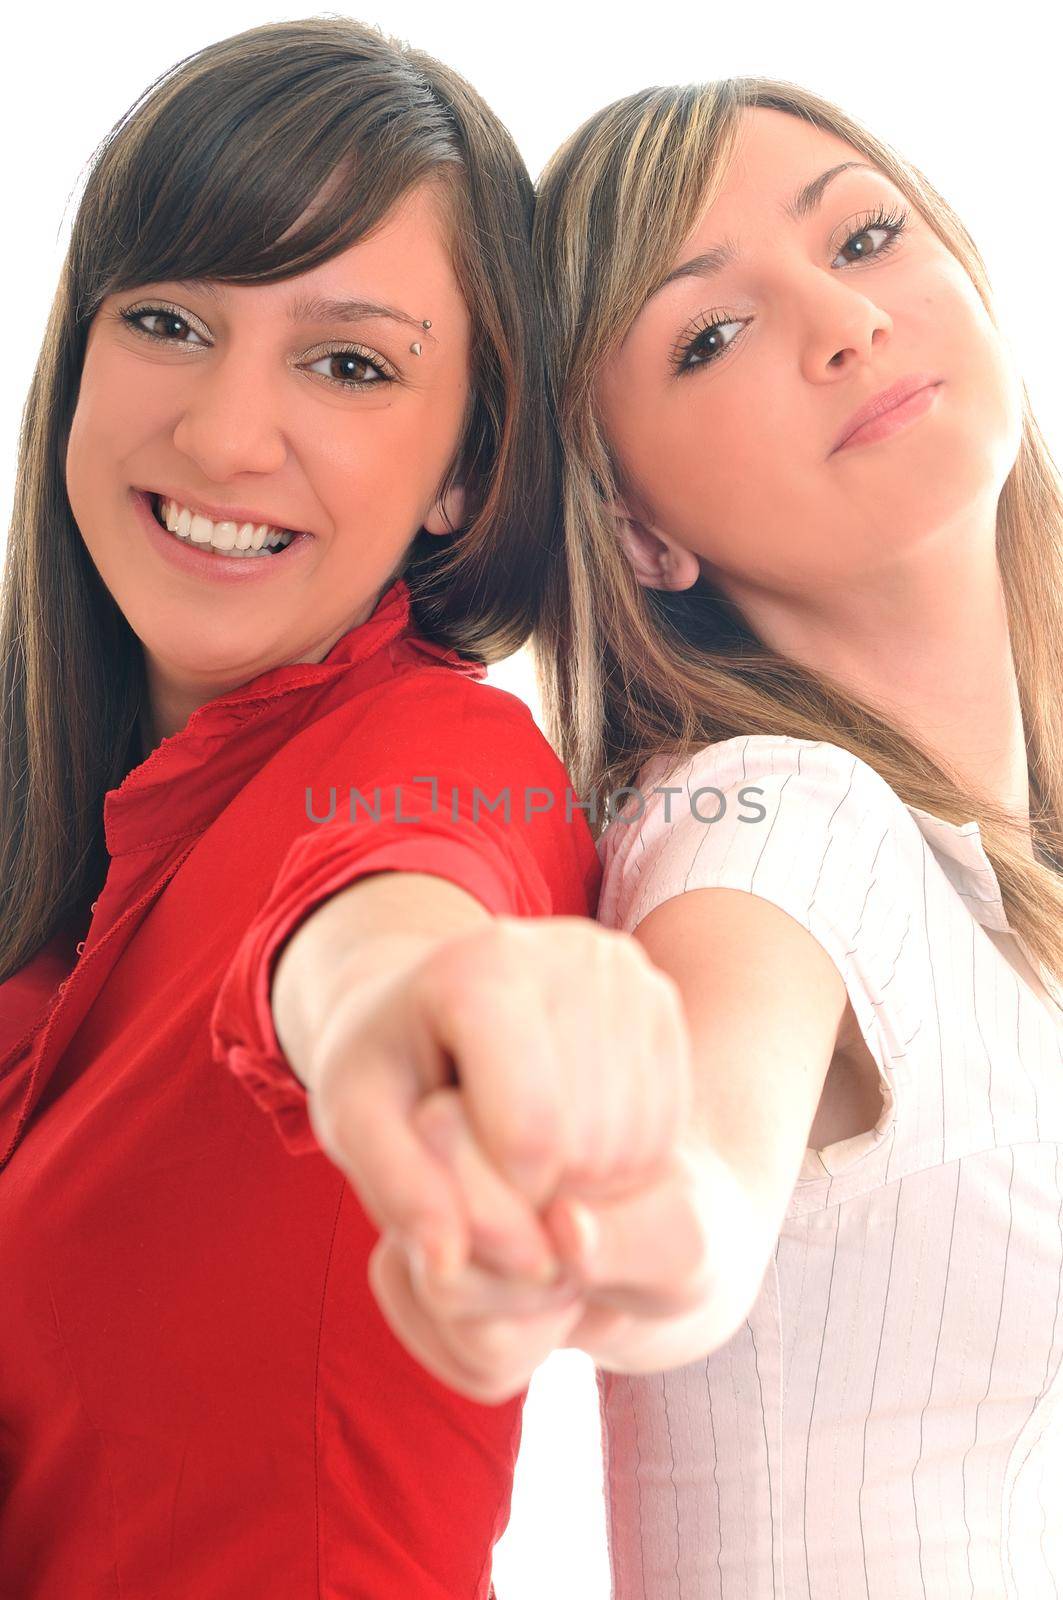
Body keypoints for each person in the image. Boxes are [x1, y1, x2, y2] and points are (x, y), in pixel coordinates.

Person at [0, 19, 708, 1597]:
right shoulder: (55, 830)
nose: (225, 434)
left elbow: (393, 905)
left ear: (465, 468)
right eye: (171, 320)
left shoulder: (441, 754)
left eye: (349, 364)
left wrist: (418, 1004)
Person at [521, 76, 1063, 1597]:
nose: (842, 321)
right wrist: (608, 1233)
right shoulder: (771, 817)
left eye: (866, 236)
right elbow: (691, 1192)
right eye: (709, 335)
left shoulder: (987, 876)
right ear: (635, 533)